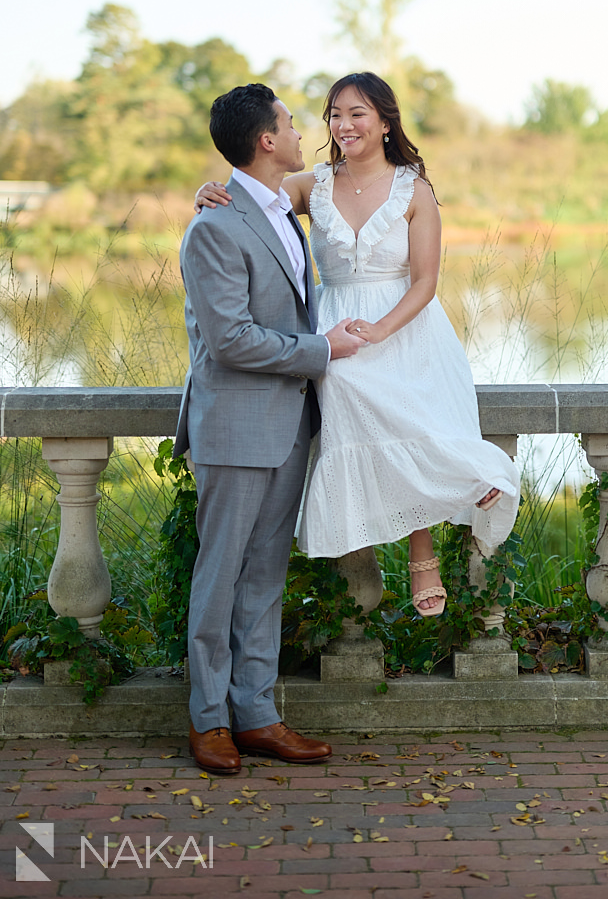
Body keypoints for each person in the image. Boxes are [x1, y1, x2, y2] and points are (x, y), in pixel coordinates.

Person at [196, 72, 521, 616]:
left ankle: (436, 532)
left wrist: (384, 330)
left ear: (385, 121)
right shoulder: (313, 185)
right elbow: (253, 197)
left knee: (408, 407)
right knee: (348, 383)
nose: (343, 125)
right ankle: (429, 504)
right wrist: (209, 192)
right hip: (337, 321)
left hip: (406, 322)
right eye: (335, 115)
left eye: (357, 114)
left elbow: (425, 281)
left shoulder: (414, 190)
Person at [175, 83, 365, 775]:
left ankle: (256, 714)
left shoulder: (287, 208)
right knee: (220, 575)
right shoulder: (213, 226)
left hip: (290, 423)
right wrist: (324, 352)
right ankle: (208, 721)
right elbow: (230, 340)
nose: (300, 131)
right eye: (289, 122)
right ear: (265, 139)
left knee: (264, 577)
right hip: (235, 425)